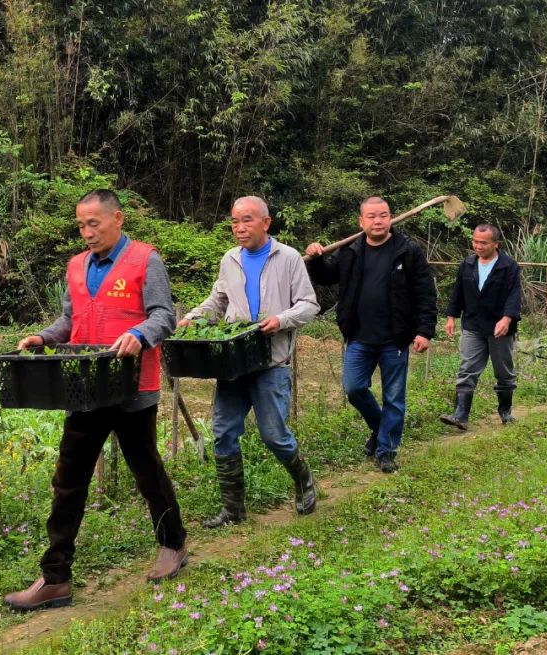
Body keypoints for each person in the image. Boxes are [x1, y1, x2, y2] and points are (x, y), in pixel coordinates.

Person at [4, 189, 187, 611]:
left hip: (133, 388)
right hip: (85, 388)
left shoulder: (145, 259)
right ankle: (55, 578)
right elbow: (71, 320)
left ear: (117, 219)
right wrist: (45, 336)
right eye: (81, 225)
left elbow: (164, 315)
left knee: (146, 471)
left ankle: (172, 545)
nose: (86, 233)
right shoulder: (75, 266)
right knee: (68, 481)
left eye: (94, 224)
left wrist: (139, 335)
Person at [181, 196, 320, 527]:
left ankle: (304, 481)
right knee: (224, 431)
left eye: (247, 220)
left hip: (272, 360)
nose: (239, 228)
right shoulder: (230, 259)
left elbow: (309, 304)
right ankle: (233, 509)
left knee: (274, 434)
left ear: (266, 222)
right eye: (234, 222)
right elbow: (217, 300)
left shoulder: (287, 258)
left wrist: (281, 319)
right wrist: (192, 317)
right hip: (234, 360)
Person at [304, 196, 437, 473]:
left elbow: (425, 293)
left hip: (395, 338)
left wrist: (424, 331)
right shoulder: (351, 250)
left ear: (391, 218)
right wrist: (316, 259)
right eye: (372, 217)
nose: (378, 221)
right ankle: (380, 429)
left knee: (394, 398)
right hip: (359, 337)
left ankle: (386, 450)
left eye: (384, 215)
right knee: (354, 389)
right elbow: (327, 276)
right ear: (361, 221)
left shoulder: (407, 250)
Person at [440, 224, 522, 429]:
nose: (478, 246)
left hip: (500, 327)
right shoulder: (467, 264)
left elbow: (514, 295)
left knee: (503, 372)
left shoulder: (508, 266)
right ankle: (460, 415)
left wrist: (507, 318)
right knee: (467, 368)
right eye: (475, 241)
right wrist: (451, 316)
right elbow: (457, 292)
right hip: (473, 325)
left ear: (496, 244)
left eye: (483, 242)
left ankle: (505, 412)